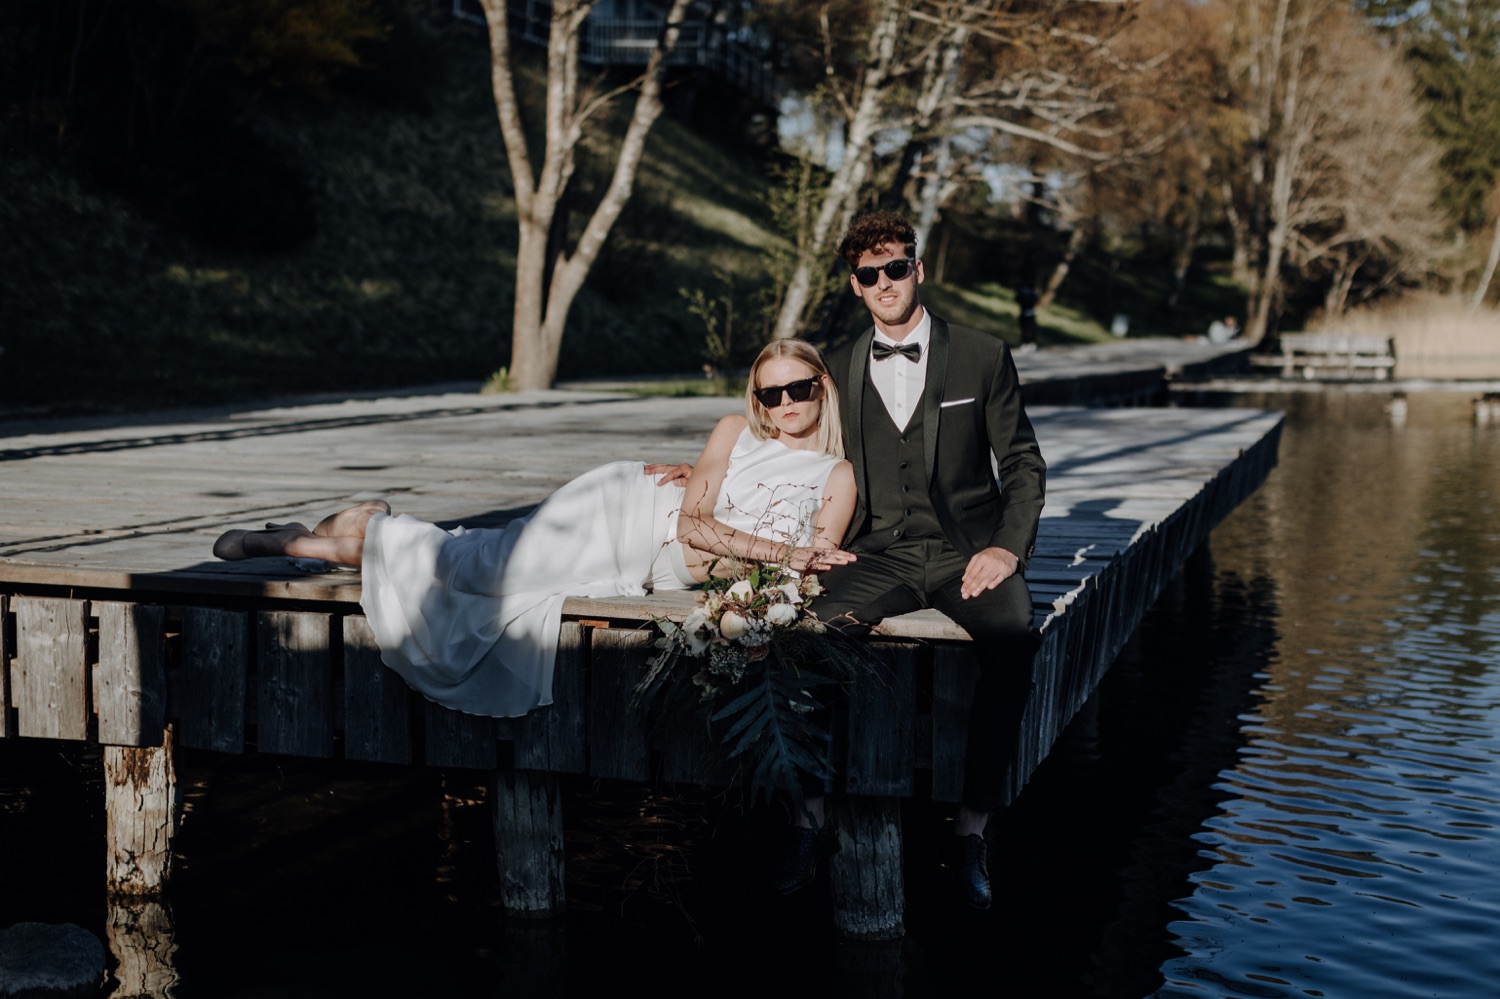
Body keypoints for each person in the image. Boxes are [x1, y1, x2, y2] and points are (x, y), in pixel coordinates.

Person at [212, 339, 858, 719]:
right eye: (770, 394)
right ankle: (300, 541)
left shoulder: (838, 475)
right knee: (484, 570)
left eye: (797, 388)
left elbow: (812, 565)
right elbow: (693, 526)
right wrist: (781, 550)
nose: (785, 405)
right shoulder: (733, 432)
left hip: (638, 566)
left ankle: (373, 527)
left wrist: (788, 561)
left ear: (822, 384)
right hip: (623, 510)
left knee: (483, 573)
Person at [793, 209, 1047, 912]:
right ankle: (810, 819)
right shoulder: (839, 366)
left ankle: (970, 828)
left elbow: (1022, 464)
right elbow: (787, 437)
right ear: (855, 284)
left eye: (895, 268)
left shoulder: (982, 354)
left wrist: (1005, 545)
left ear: (919, 269)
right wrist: (702, 473)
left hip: (970, 550)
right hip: (879, 553)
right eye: (869, 275)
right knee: (807, 640)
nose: (884, 283)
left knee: (1013, 641)